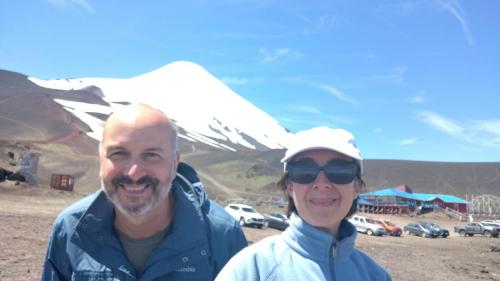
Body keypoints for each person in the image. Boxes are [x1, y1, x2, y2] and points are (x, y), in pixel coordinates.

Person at [42, 103, 247, 281]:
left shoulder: (223, 236)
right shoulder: (70, 229)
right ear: (101, 159)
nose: (134, 173)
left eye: (151, 155)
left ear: (175, 163)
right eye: (118, 154)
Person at [216, 127, 391, 281]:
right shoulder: (251, 269)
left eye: (339, 170)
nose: (321, 183)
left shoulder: (375, 275)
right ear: (290, 187)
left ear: (356, 188)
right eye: (305, 171)